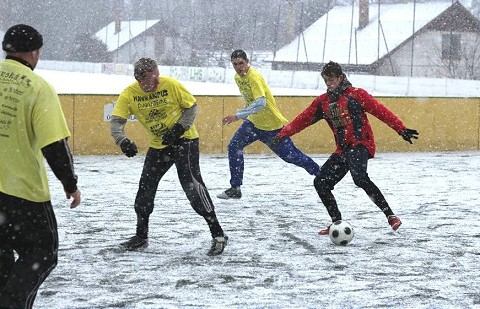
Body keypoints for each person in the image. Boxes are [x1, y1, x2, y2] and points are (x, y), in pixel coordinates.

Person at [275, 61, 419, 234]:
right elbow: (302, 120)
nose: (329, 83)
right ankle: (336, 222)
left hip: (361, 144)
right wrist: (282, 134)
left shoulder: (356, 95)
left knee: (359, 178)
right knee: (320, 182)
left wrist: (400, 128)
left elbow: (381, 111)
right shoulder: (323, 102)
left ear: (341, 77)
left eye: (332, 79)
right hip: (343, 150)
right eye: (326, 80)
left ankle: (391, 216)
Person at [110, 57, 227, 256]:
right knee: (145, 189)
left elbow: (192, 107)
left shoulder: (171, 85)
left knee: (192, 186)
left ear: (157, 73)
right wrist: (122, 141)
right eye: (142, 81)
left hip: (185, 141)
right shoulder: (129, 94)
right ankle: (141, 236)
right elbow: (116, 122)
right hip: (160, 146)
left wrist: (179, 128)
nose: (147, 86)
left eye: (150, 80)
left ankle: (218, 235)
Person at [0, 24, 81, 309]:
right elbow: (54, 145)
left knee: (3, 255)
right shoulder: (37, 87)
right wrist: (70, 184)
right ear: (35, 52)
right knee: (43, 253)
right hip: (21, 192)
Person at [218, 49, 320, 199]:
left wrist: (238, 115)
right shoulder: (238, 77)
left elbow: (260, 102)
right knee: (234, 146)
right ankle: (235, 188)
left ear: (247, 63)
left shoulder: (254, 77)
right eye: (235, 64)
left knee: (291, 156)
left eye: (241, 63)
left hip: (272, 127)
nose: (238, 67)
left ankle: (321, 174)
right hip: (253, 123)